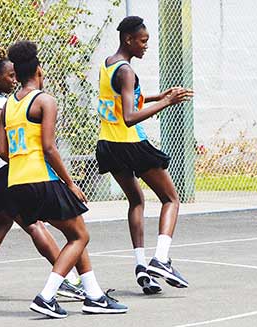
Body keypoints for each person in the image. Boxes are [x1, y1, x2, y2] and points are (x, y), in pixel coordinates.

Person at [0, 40, 127, 318]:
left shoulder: (7, 105)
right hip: (41, 178)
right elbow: (49, 147)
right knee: (81, 235)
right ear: (38, 70)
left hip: (16, 182)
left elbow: (2, 150)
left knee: (75, 233)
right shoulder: (45, 100)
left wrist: (22, 163)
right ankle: (46, 296)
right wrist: (70, 183)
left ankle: (94, 296)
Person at [0, 47, 84, 301]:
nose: (14, 79)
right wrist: (11, 156)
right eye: (10, 75)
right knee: (33, 223)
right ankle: (67, 280)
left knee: (4, 219)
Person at [96, 16, 193, 294]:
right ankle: (161, 259)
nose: (146, 46)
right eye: (143, 40)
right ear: (128, 39)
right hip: (130, 144)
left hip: (109, 145)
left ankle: (141, 267)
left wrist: (156, 96)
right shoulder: (126, 71)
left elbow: (120, 100)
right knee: (171, 198)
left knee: (136, 200)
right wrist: (166, 102)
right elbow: (128, 117)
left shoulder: (108, 64)